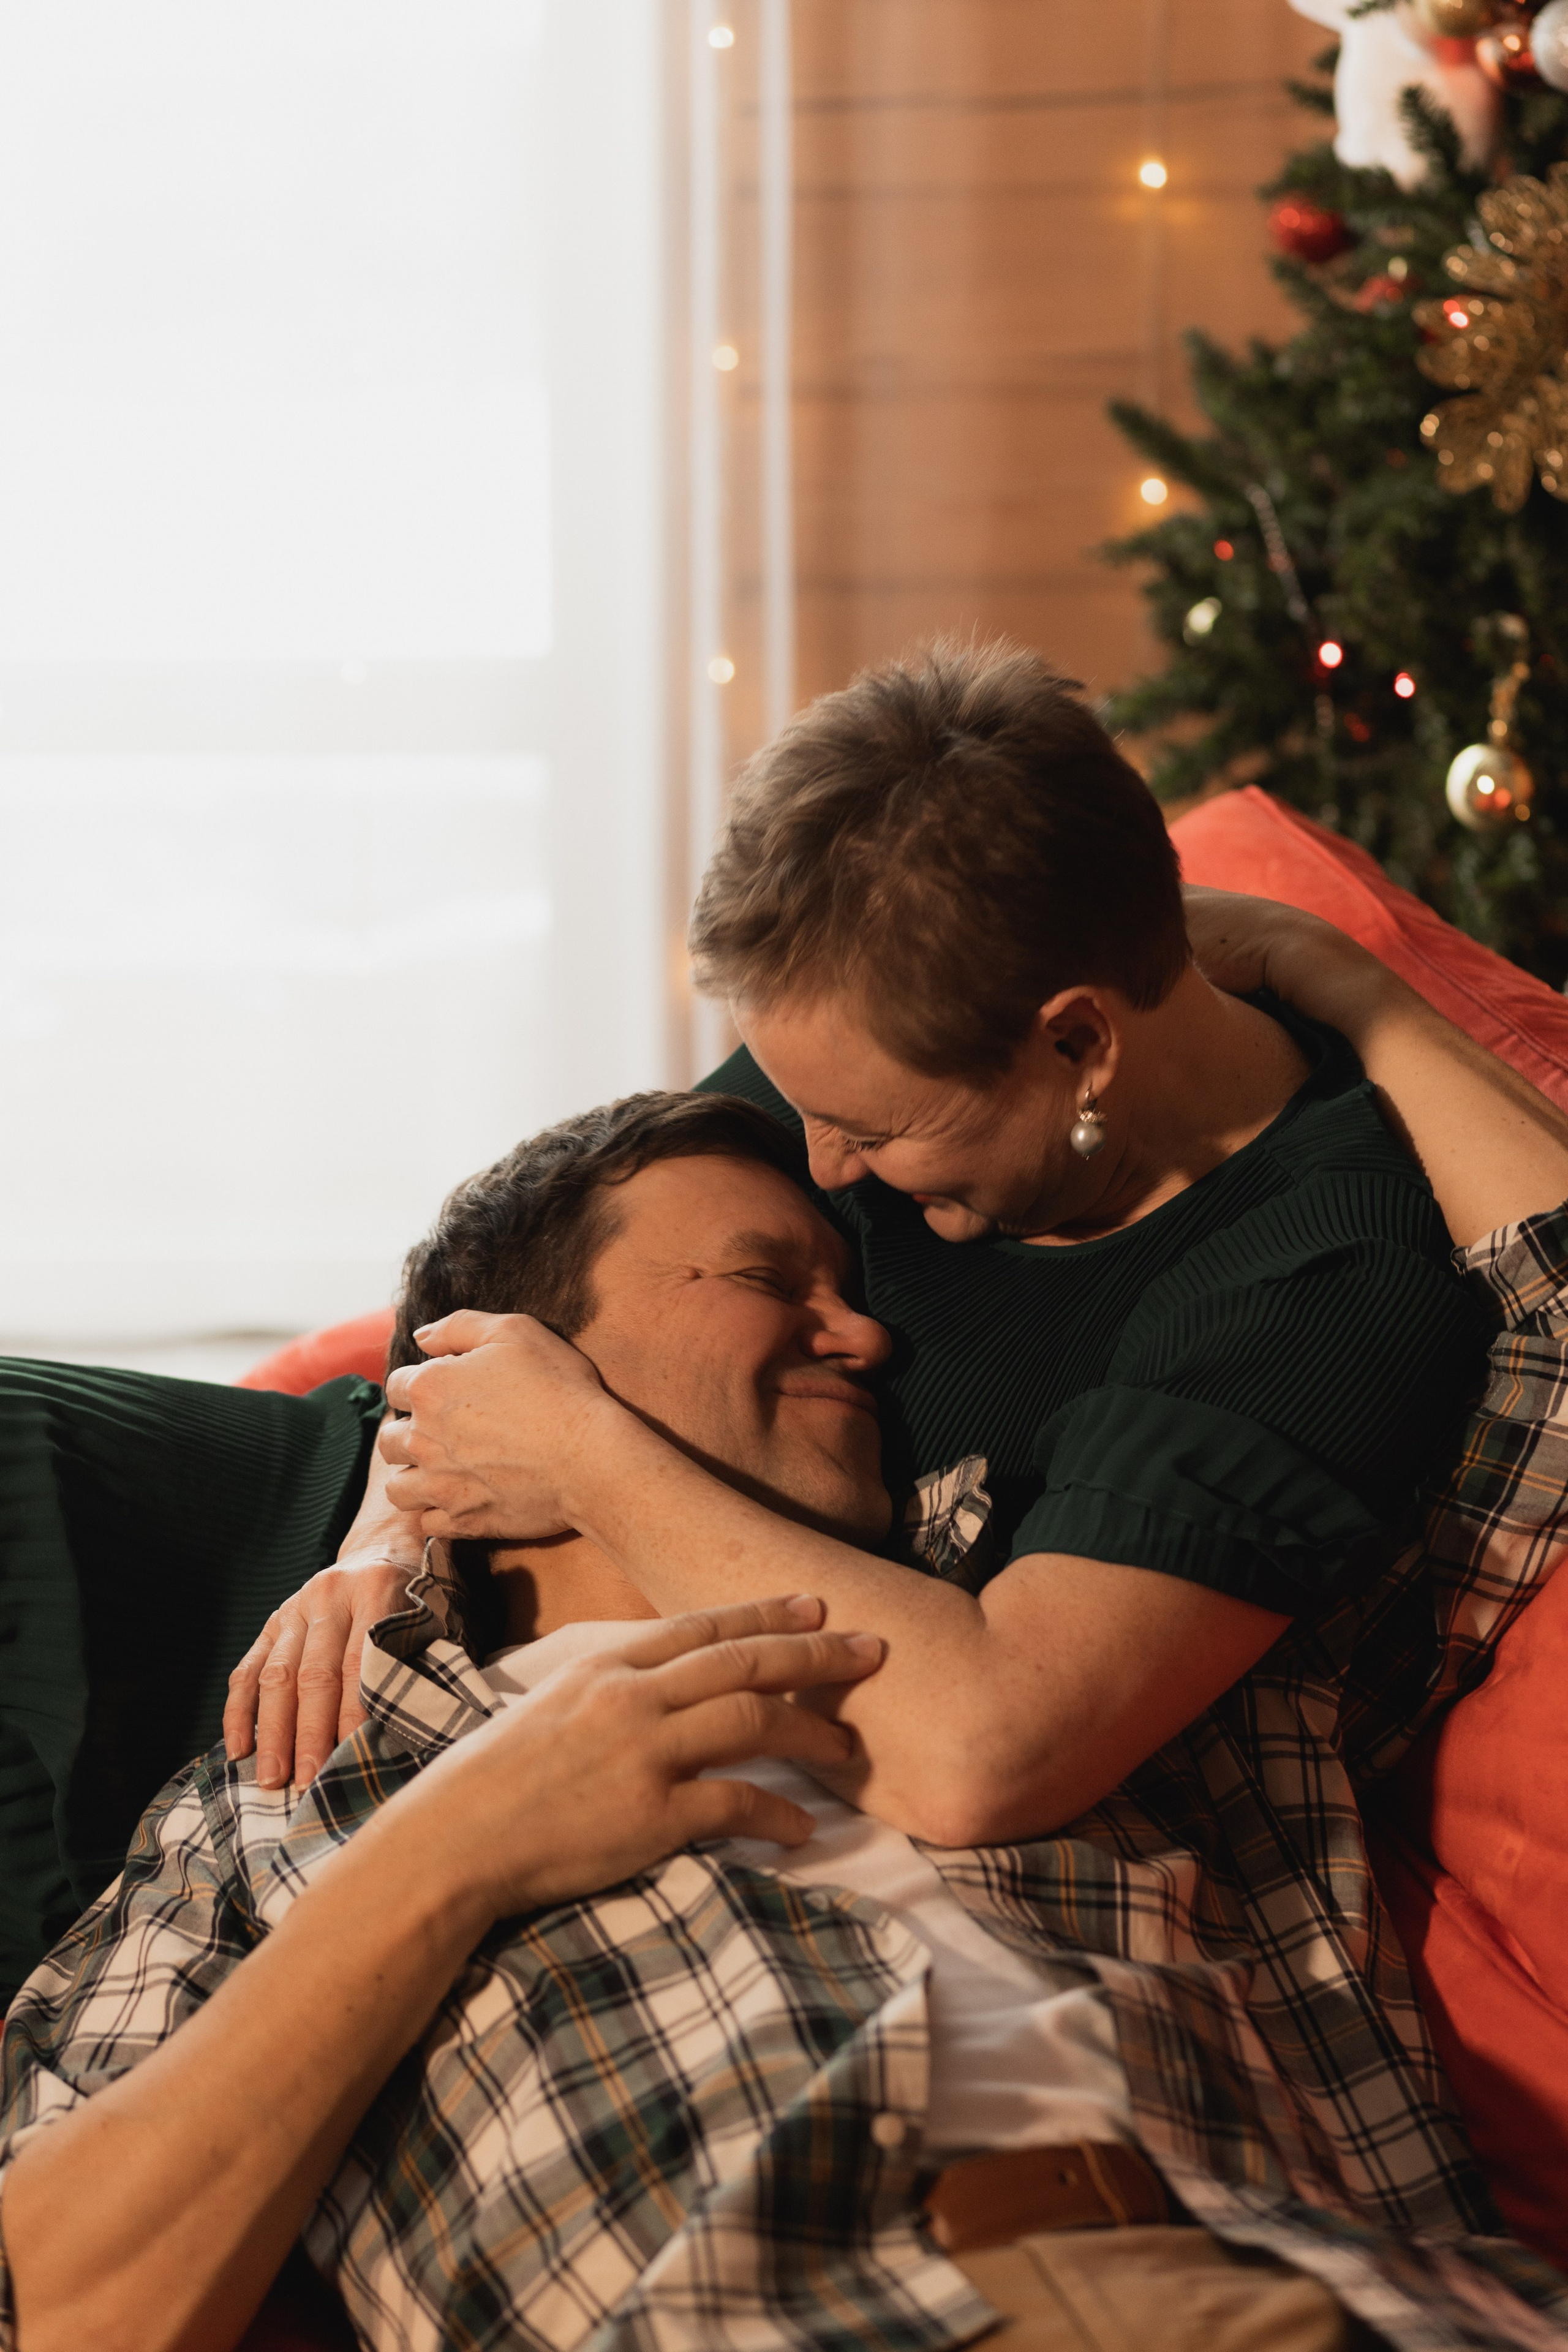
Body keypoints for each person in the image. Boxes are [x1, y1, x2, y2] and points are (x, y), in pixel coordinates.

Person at [0, 1095, 1391, 2352]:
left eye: (846, 1294)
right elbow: (55, 2306)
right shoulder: (303, 1779)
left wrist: (1337, 985)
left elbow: (1502, 1349)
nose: (866, 1337)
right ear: (509, 1366)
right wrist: (450, 1855)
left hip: (1331, 2297)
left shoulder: (1045, 1612)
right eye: (764, 1279)